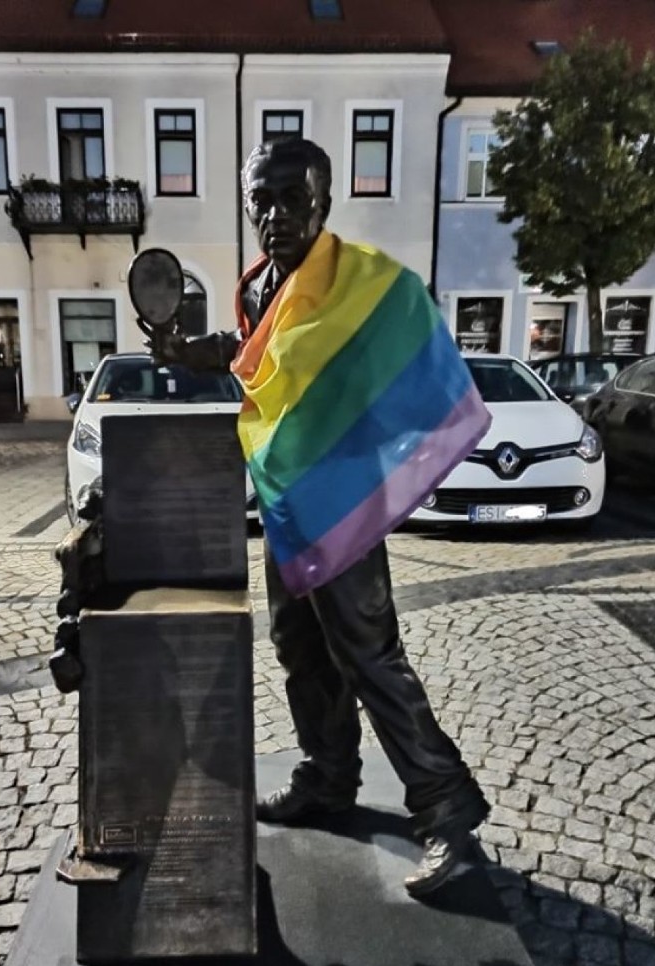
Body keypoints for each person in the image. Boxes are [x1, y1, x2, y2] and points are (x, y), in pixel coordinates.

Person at [142, 138, 490, 897]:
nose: (274, 214)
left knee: (369, 655)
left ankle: (447, 811)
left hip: (345, 504)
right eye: (260, 200)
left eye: (291, 199)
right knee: (299, 646)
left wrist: (389, 437)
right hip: (287, 499)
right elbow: (255, 355)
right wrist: (182, 348)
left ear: (323, 203)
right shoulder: (264, 284)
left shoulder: (355, 283)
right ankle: (328, 776)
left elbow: (405, 349)